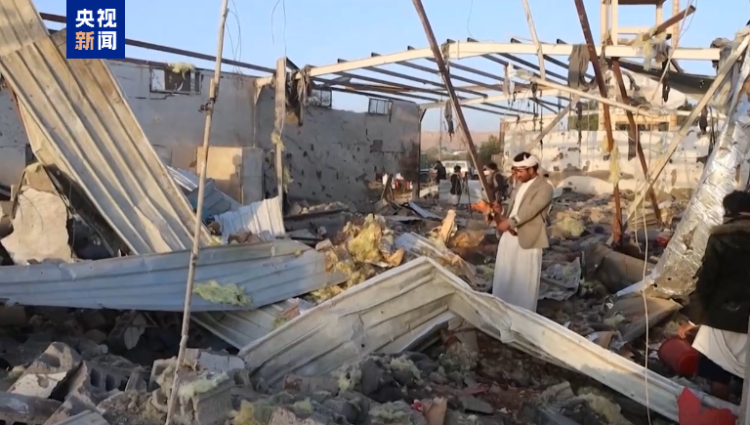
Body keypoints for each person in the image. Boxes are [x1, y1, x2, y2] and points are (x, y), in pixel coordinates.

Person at [678, 190, 750, 400]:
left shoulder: (721, 237)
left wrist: (693, 320)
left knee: (717, 374)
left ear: (728, 211)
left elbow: (707, 283)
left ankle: (721, 411)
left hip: (722, 319)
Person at [491, 152, 553, 312]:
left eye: (520, 171)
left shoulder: (545, 188)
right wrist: (501, 210)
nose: (516, 175)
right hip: (509, 238)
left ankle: (522, 317)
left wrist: (510, 222)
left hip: (528, 240)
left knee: (524, 282)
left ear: (532, 169)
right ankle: (501, 312)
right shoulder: (519, 186)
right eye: (515, 171)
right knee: (505, 276)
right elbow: (515, 209)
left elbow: (530, 211)